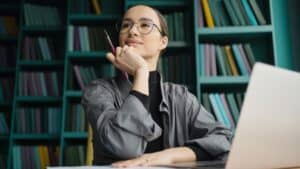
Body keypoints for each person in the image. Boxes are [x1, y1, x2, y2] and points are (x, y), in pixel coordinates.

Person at [82, 5, 232, 167]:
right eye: (126, 25)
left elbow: (224, 141)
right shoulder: (99, 91)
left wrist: (169, 156)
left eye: (145, 25)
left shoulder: (179, 96)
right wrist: (141, 72)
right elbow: (125, 147)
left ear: (163, 42)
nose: (132, 31)